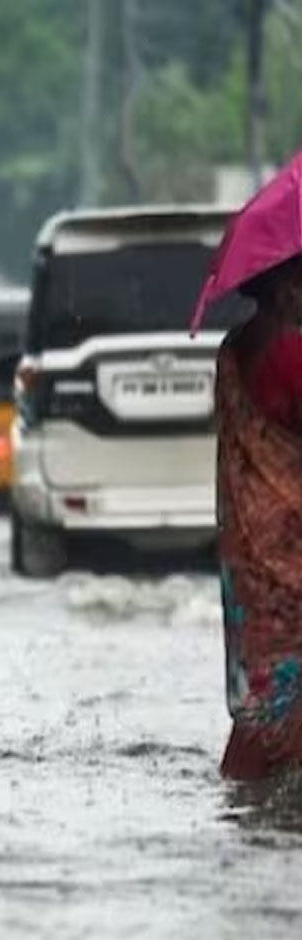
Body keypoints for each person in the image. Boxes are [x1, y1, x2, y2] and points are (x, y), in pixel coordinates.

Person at [215, 254, 302, 780]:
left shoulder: (232, 350)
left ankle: (252, 773)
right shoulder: (291, 354)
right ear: (286, 286)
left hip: (249, 538)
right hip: (293, 533)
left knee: (270, 659)